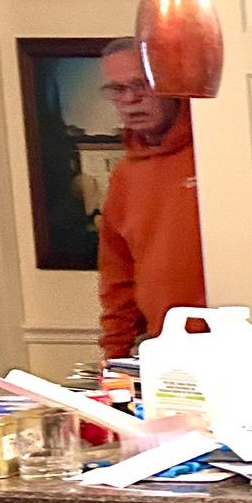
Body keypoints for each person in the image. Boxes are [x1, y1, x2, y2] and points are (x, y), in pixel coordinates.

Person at [95, 38, 205, 358]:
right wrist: (114, 359)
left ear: (171, 83)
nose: (130, 99)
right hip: (168, 352)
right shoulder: (125, 175)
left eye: (141, 85)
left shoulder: (215, 153)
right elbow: (118, 279)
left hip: (246, 341)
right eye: (117, 90)